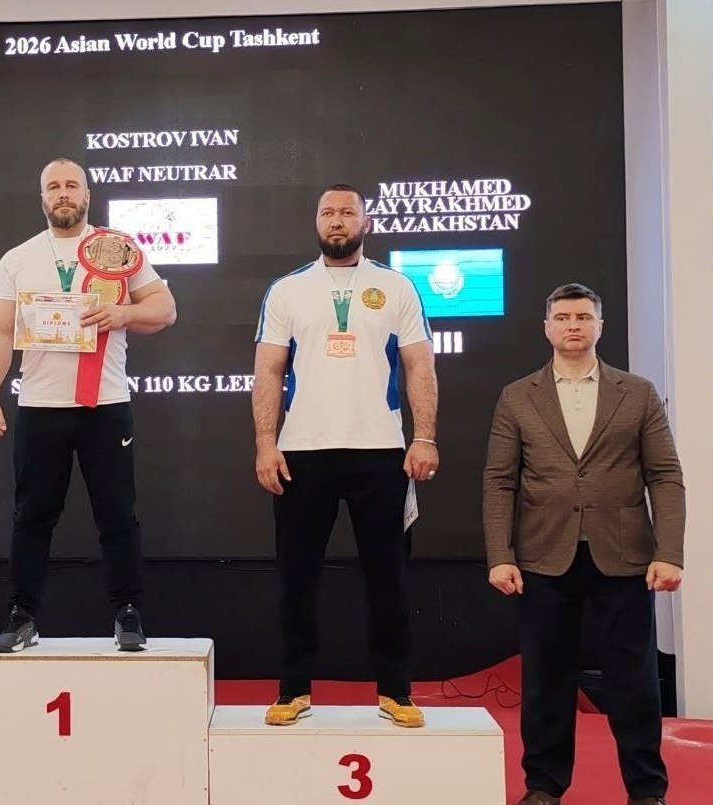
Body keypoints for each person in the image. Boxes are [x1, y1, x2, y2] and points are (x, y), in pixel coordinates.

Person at [483, 283, 683, 805]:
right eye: (564, 317)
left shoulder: (637, 392)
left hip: (626, 556)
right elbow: (500, 481)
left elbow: (664, 474)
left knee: (634, 681)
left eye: (583, 317)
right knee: (546, 680)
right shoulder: (517, 396)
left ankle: (647, 790)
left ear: (600, 326)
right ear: (547, 328)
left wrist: (669, 552)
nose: (573, 325)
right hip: (543, 557)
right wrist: (501, 555)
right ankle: (544, 786)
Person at [252, 183, 439, 727]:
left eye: (347, 213)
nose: (337, 221)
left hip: (380, 451)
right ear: (317, 222)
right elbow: (268, 371)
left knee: (388, 578)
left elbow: (419, 365)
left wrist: (424, 436)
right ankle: (293, 689)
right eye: (328, 213)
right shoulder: (287, 290)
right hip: (301, 452)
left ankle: (396, 690)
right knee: (296, 579)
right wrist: (265, 443)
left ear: (365, 223)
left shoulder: (396, 286)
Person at [0, 158, 176, 653]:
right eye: (53, 186)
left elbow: (165, 309)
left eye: (72, 185)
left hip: (105, 405)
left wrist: (122, 312)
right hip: (40, 405)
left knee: (118, 515)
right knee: (32, 516)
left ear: (88, 195)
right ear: (42, 197)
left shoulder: (118, 250)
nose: (63, 193)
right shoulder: (18, 258)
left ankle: (128, 614)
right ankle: (22, 615)